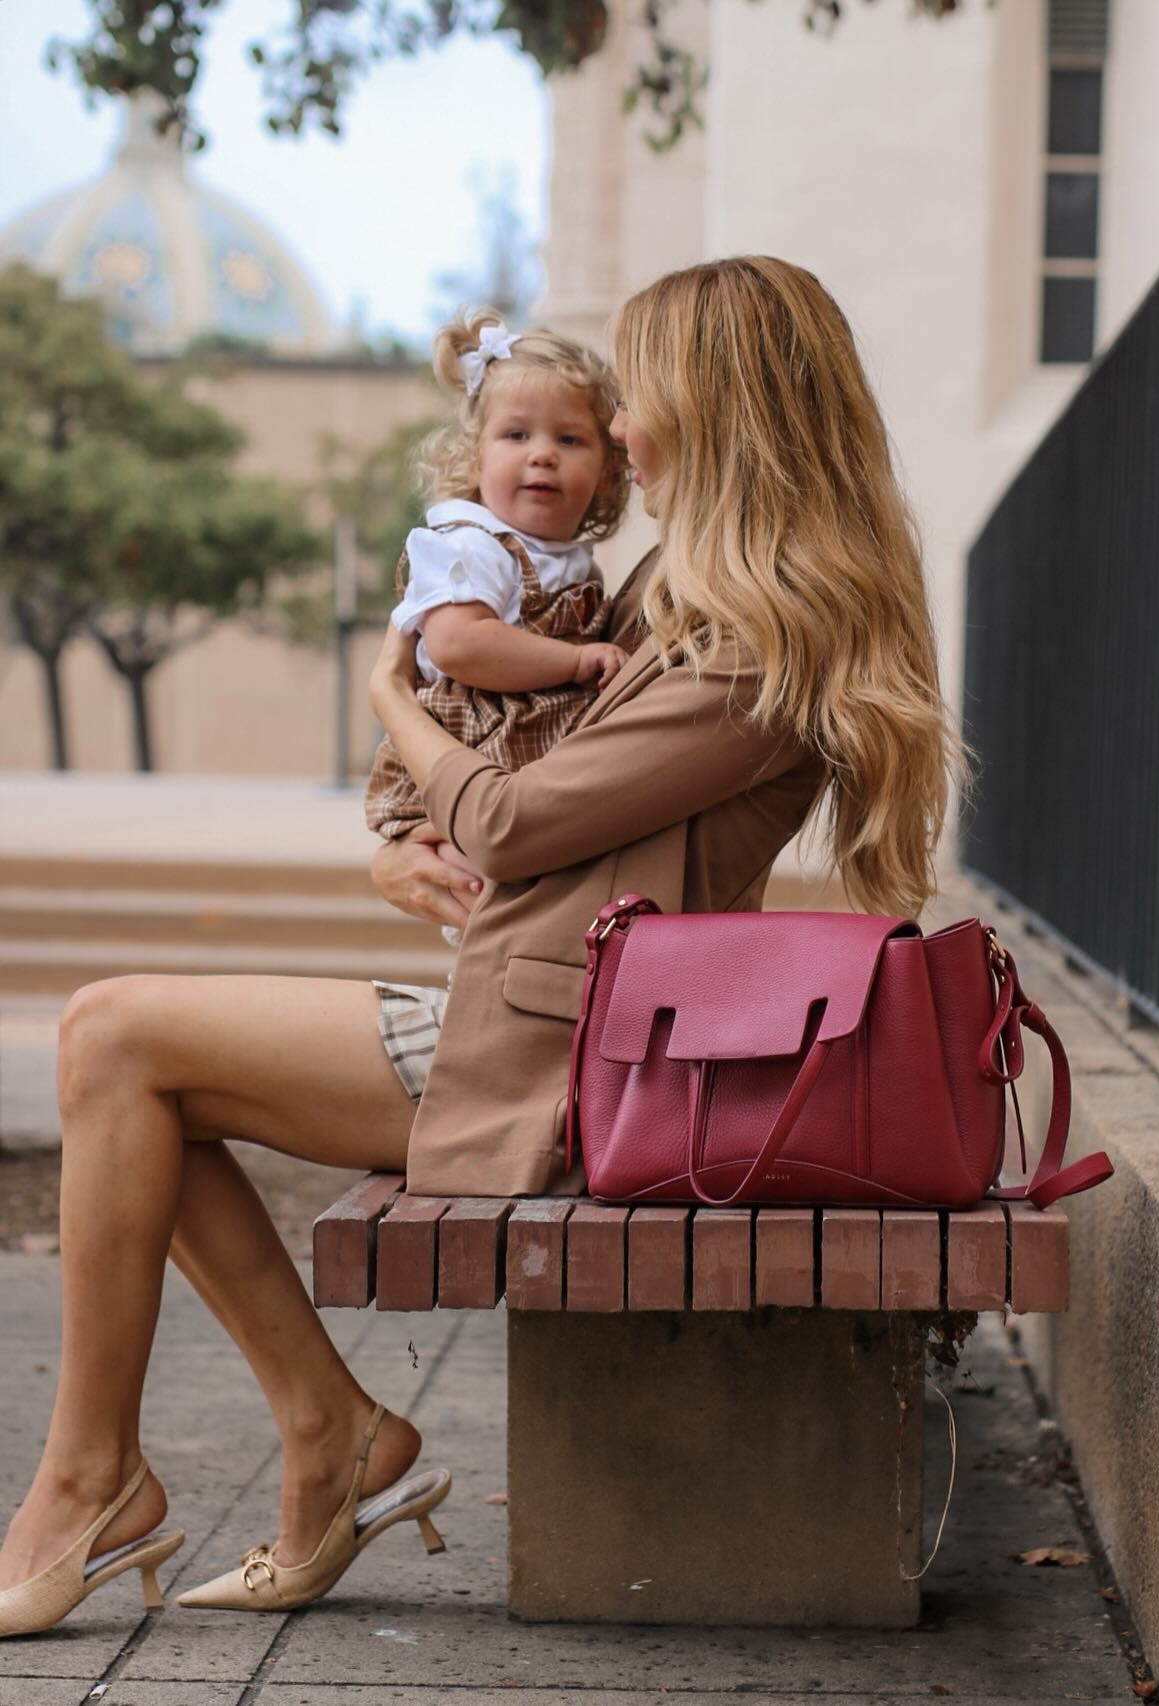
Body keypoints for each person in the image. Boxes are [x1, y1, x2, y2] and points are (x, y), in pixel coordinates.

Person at [0, 256, 959, 1636]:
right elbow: (520, 800)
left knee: (114, 1032)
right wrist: (402, 848)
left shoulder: (756, 638)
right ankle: (314, 1429)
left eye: (636, 402)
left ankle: (107, 1474)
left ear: (713, 407)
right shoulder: (682, 598)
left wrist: (393, 697)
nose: (618, 431)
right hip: (561, 1019)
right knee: (132, 1070)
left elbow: (508, 819)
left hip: (575, 1067)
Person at [364, 308, 632, 864]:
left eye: (570, 438)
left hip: (524, 783)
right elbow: (458, 645)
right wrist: (577, 662)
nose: (542, 453)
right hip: (463, 764)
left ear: (607, 470)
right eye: (516, 434)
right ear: (475, 454)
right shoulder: (473, 545)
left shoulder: (571, 563)